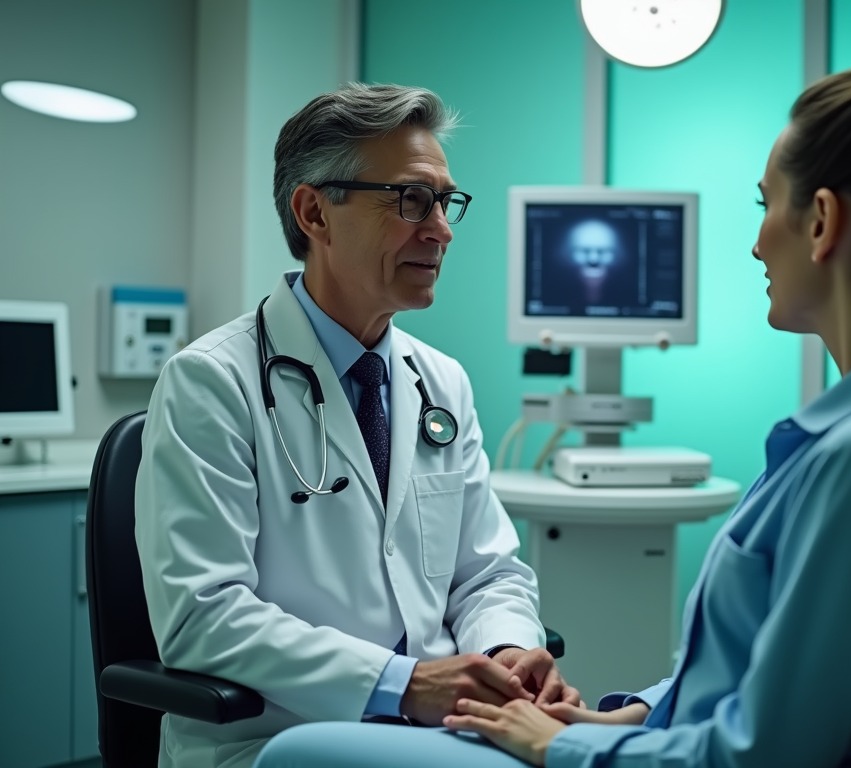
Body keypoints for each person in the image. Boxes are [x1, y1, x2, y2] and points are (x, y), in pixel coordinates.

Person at [250, 54, 851, 768]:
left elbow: (764, 751)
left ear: (821, 223)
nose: (757, 244)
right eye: (411, 201)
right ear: (313, 215)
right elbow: (751, 694)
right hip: (623, 736)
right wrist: (621, 719)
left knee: (298, 758)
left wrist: (559, 745)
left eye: (766, 206)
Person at [134, 83, 578, 768]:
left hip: (437, 732)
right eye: (410, 200)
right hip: (272, 740)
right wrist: (399, 685)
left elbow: (486, 571)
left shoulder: (442, 382)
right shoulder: (212, 382)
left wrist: (507, 653)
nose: (441, 228)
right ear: (315, 211)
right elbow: (203, 613)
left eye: (445, 202)